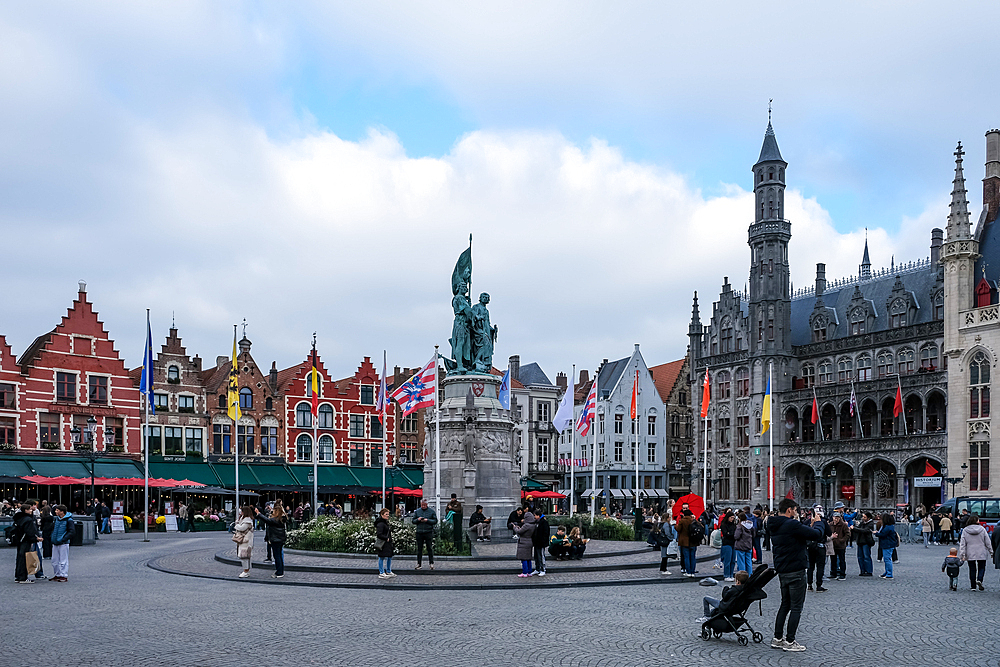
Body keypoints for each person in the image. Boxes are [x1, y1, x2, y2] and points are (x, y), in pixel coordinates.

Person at [769, 498, 822, 653]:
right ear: (789, 510)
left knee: (785, 604)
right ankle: (790, 640)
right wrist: (818, 522)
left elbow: (795, 536)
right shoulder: (791, 524)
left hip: (783, 570)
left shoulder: (774, 524)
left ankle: (777, 638)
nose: (797, 512)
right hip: (796, 570)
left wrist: (807, 525)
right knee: (796, 607)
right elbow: (817, 535)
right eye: (795, 510)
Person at [958, 514, 993, 591]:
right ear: (976, 521)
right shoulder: (982, 529)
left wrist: (962, 554)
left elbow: (963, 544)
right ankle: (979, 579)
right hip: (981, 551)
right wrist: (991, 551)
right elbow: (987, 542)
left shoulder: (965, 530)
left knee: (972, 569)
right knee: (982, 567)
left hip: (970, 551)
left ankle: (973, 586)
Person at [254, 503, 287, 579]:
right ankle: (280, 571)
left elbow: (267, 520)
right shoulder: (282, 518)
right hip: (280, 538)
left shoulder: (276, 520)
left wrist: (259, 514)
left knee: (277, 556)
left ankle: (279, 572)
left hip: (275, 539)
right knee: (279, 556)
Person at [13, 503, 42, 584]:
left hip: (19, 540)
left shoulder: (19, 518)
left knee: (20, 558)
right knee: (25, 558)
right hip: (26, 540)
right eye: (29, 509)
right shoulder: (28, 519)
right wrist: (36, 538)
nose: (31, 511)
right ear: (25, 510)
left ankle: (18, 576)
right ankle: (23, 577)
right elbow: (30, 532)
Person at [806, 508, 830, 592]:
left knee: (810, 566)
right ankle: (819, 585)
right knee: (820, 566)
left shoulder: (808, 521)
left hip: (811, 546)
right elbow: (829, 533)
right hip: (820, 545)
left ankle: (809, 584)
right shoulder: (823, 522)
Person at [49, 505, 74, 582]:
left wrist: (64, 539)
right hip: (57, 541)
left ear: (61, 512)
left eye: (57, 510)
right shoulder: (58, 519)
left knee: (63, 560)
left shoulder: (68, 520)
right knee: (55, 560)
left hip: (63, 542)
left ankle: (63, 575)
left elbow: (72, 531)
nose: (55, 512)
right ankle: (58, 574)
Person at [412, 499, 437, 570]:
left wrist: (427, 520)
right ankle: (419, 564)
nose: (423, 506)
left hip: (428, 532)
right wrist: (418, 520)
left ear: (427, 505)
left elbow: (435, 521)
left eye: (424, 505)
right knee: (419, 549)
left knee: (429, 548)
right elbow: (413, 521)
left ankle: (431, 563)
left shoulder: (431, 511)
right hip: (419, 532)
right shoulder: (417, 511)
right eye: (422, 505)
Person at [232, 506, 254, 578]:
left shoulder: (247, 521)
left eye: (242, 511)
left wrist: (237, 525)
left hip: (246, 541)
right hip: (244, 540)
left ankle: (246, 571)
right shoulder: (244, 519)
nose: (240, 512)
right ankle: (247, 570)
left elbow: (242, 528)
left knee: (244, 556)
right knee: (245, 556)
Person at [374, 508, 396, 579]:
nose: (388, 516)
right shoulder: (380, 524)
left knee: (389, 556)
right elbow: (379, 534)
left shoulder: (385, 523)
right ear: (382, 515)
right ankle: (381, 572)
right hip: (384, 542)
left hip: (388, 542)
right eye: (386, 514)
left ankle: (388, 571)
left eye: (388, 514)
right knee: (381, 557)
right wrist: (386, 538)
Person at [876, 513, 899, 579]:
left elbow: (882, 534)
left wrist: (876, 533)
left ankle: (889, 573)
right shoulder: (890, 526)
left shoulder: (887, 527)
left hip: (887, 544)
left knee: (887, 559)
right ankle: (887, 572)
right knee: (887, 559)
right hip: (888, 544)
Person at [853, 511, 876, 576]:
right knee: (860, 557)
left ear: (868, 518)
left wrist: (855, 528)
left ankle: (869, 571)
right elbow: (859, 529)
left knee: (866, 557)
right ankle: (862, 570)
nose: (863, 518)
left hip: (866, 542)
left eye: (864, 517)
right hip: (860, 541)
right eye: (863, 516)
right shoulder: (862, 523)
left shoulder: (870, 524)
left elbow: (864, 530)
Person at [677, 506, 698, 577]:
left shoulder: (682, 521)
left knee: (686, 557)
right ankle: (692, 571)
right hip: (693, 541)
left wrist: (675, 526)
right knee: (693, 557)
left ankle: (688, 572)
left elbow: (678, 529)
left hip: (685, 541)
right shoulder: (693, 520)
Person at [515, 511, 537, 577]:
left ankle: (524, 572)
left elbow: (519, 531)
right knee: (528, 558)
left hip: (523, 542)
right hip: (529, 541)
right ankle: (529, 572)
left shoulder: (526, 525)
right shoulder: (533, 525)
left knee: (523, 558)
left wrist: (515, 527)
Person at [829, 512, 850, 580]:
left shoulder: (843, 525)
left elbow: (848, 534)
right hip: (833, 545)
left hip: (841, 545)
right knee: (833, 560)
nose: (836, 519)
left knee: (842, 560)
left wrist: (842, 540)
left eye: (837, 518)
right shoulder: (830, 525)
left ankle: (842, 574)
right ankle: (833, 573)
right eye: (835, 518)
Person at [720, 510, 737, 581]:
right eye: (731, 517)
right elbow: (726, 534)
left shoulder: (734, 525)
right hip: (727, 544)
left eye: (733, 518)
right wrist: (731, 534)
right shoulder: (723, 524)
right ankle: (726, 575)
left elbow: (734, 534)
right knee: (727, 560)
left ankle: (731, 574)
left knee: (733, 561)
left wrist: (731, 534)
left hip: (733, 543)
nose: (732, 519)